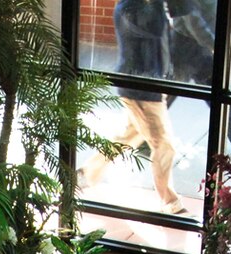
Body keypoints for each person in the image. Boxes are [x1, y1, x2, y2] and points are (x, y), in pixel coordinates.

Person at [77, 0, 183, 211]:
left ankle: (85, 175)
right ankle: (170, 202)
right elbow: (154, 28)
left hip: (148, 84)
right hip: (140, 88)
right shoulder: (129, 8)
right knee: (164, 145)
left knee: (129, 136)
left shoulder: (146, 6)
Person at [163, 0, 231, 152]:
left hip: (196, 45)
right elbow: (193, 21)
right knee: (167, 93)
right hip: (185, 46)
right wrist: (214, 45)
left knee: (210, 90)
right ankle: (142, 135)